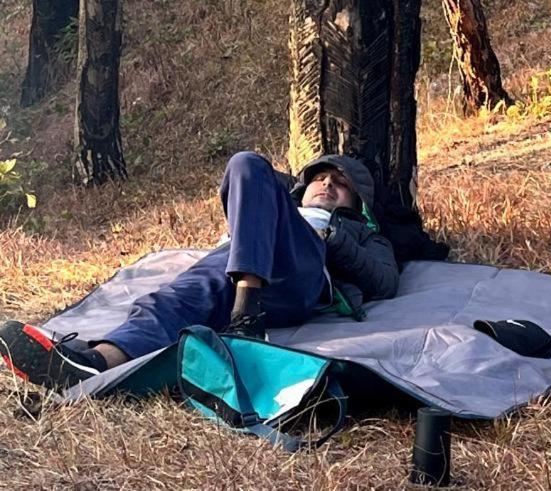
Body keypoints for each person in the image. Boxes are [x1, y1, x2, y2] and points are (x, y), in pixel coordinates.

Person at [0, 152, 398, 393]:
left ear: (357, 203)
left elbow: (385, 281)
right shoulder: (282, 206)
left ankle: (247, 314)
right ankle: (93, 365)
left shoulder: (360, 232)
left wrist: (332, 237)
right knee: (171, 300)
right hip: (237, 267)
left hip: (299, 276)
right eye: (320, 179)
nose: (326, 185)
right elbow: (255, 181)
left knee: (247, 165)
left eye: (340, 184)